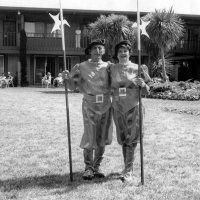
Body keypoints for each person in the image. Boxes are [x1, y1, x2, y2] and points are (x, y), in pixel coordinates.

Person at [63, 39, 113, 180]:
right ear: (89, 51)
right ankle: (88, 167)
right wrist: (67, 79)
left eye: (100, 48)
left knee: (102, 136)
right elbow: (72, 87)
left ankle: (97, 166)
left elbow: (119, 80)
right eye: (95, 48)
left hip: (106, 105)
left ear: (103, 51)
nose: (98, 51)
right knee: (90, 135)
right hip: (90, 104)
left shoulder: (109, 66)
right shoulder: (81, 67)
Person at [109, 40, 150, 182]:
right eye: (120, 51)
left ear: (129, 53)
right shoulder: (111, 68)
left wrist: (143, 84)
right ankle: (127, 167)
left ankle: (128, 171)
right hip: (117, 108)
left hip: (133, 107)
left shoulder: (138, 68)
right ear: (117, 54)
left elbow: (146, 91)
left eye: (125, 51)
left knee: (132, 139)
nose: (123, 53)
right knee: (123, 139)